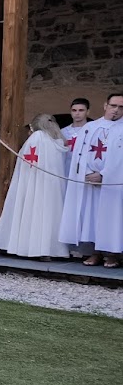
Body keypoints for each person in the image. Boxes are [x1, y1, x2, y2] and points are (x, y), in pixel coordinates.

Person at [0, 114, 69, 259]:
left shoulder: (37, 137)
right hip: (52, 187)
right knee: (49, 215)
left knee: (33, 212)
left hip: (34, 183)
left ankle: (28, 247)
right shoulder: (58, 141)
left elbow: (26, 158)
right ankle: (49, 249)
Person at [86, 92, 123, 268]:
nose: (116, 110)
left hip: (114, 183)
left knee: (113, 217)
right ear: (105, 106)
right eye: (113, 106)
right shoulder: (91, 127)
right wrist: (87, 172)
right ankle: (96, 252)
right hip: (90, 180)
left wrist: (105, 174)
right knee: (93, 217)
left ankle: (114, 253)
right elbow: (81, 153)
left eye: (121, 107)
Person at [61, 98, 93, 179]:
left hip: (86, 171)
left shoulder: (93, 131)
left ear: (88, 112)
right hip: (65, 170)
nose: (77, 113)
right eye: (74, 110)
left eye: (81, 110)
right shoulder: (62, 132)